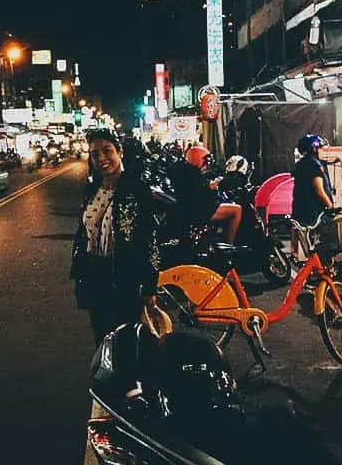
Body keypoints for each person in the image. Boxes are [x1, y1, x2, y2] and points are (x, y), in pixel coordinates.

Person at [71, 129, 160, 343]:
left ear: (119, 152)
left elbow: (149, 239)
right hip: (95, 275)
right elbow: (83, 234)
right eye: (95, 154)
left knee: (127, 340)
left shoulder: (137, 187)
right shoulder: (92, 189)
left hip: (125, 277)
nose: (101, 158)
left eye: (107, 151)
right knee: (102, 339)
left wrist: (149, 286)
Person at [167, 145, 241, 244]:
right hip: (199, 211)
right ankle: (229, 245)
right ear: (198, 160)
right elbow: (204, 198)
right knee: (237, 210)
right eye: (205, 162)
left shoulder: (185, 171)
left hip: (190, 209)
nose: (206, 165)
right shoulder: (193, 176)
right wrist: (212, 188)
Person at [291, 134, 335, 227]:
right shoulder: (314, 165)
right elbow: (320, 191)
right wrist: (331, 207)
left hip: (299, 211)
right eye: (321, 148)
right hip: (313, 214)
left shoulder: (300, 164)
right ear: (314, 149)